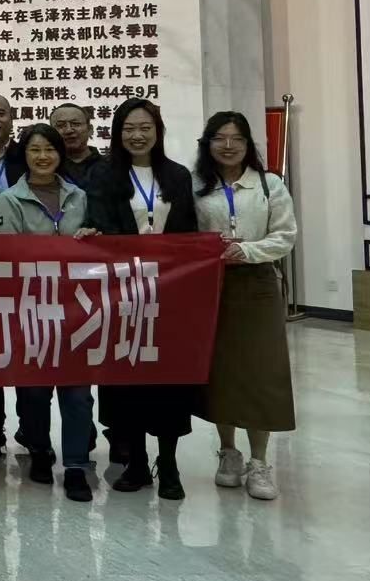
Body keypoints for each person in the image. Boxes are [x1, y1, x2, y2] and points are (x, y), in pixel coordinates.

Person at [86, 96, 198, 499]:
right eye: (129, 128)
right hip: (124, 293)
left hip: (169, 292)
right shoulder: (103, 175)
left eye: (145, 128)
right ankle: (135, 461)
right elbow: (102, 226)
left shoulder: (177, 175)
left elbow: (188, 231)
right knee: (125, 380)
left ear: (158, 132)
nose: (137, 135)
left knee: (168, 381)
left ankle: (168, 463)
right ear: (117, 133)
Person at [193, 111, 299, 502]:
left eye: (236, 138)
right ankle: (228, 452)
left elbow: (285, 236)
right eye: (219, 138)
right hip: (212, 286)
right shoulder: (197, 187)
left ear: (247, 143)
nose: (228, 145)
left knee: (261, 371)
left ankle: (259, 461)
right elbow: (186, 234)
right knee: (221, 371)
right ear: (208, 144)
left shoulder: (269, 184)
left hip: (258, 283)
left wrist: (247, 250)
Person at [0, 122, 99, 503]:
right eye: (35, 150)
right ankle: (39, 448)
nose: (43, 157)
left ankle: (75, 465)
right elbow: (9, 256)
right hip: (31, 306)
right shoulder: (10, 199)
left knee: (78, 392)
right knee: (34, 389)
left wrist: (90, 238)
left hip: (77, 306)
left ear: (60, 153)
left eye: (50, 149)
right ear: (24, 155)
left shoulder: (79, 196)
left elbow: (95, 246)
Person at [50, 102, 105, 187]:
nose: (69, 130)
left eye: (76, 124)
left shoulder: (111, 166)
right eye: (61, 125)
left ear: (90, 129)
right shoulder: (46, 168)